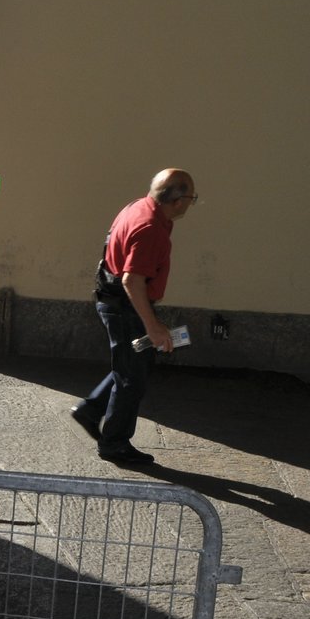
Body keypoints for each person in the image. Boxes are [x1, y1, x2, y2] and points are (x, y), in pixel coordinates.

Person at [71, 169, 199, 465]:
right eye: (192, 198)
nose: (192, 203)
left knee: (131, 364)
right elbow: (132, 280)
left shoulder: (138, 206)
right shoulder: (151, 226)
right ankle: (114, 444)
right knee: (132, 378)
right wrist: (152, 325)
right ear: (178, 200)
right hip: (125, 305)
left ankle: (91, 410)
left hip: (115, 299)